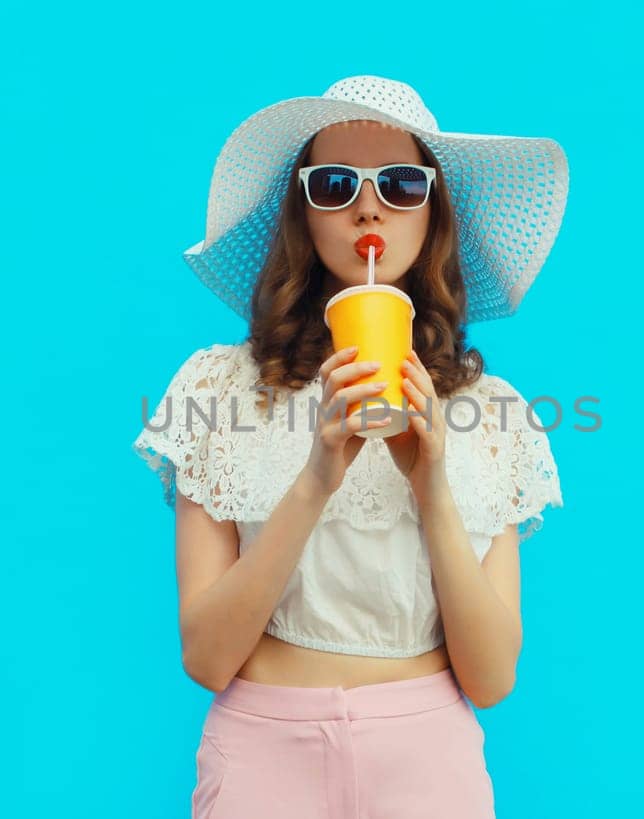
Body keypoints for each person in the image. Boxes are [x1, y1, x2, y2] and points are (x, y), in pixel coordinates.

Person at [134, 75, 568, 819]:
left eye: (401, 184)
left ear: (433, 214)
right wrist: (315, 479)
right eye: (334, 184)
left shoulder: (493, 416)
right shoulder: (216, 389)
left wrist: (432, 485)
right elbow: (206, 659)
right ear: (304, 214)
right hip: (264, 757)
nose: (369, 207)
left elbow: (492, 678)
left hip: (429, 760)